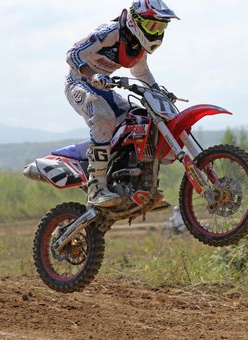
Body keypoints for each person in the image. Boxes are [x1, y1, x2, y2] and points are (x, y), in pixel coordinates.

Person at [64, 0, 178, 207]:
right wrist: (93, 74)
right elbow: (73, 54)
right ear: (136, 20)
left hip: (104, 87)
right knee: (103, 118)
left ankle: (141, 185)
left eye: (162, 27)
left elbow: (140, 72)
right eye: (153, 26)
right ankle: (96, 187)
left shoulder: (137, 44)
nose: (157, 31)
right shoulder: (110, 32)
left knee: (141, 119)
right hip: (79, 82)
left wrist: (158, 91)